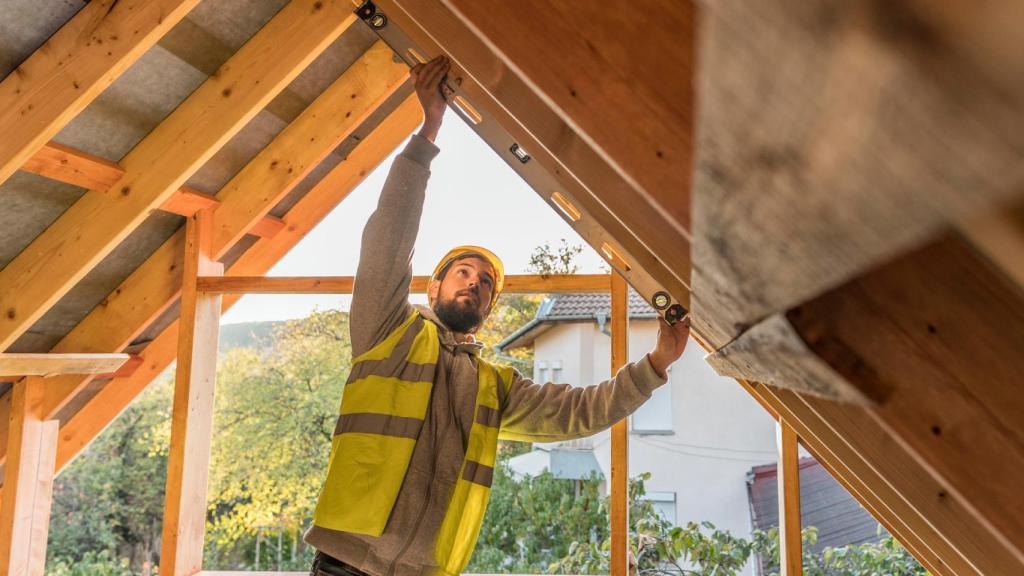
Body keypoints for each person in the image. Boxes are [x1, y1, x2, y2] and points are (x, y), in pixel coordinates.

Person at [305, 56, 691, 576]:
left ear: (486, 311)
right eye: (463, 272)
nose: (475, 282)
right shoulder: (386, 333)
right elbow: (386, 243)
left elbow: (580, 412)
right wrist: (428, 132)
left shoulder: (493, 386)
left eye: (486, 283)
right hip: (344, 563)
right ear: (433, 286)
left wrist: (656, 364)